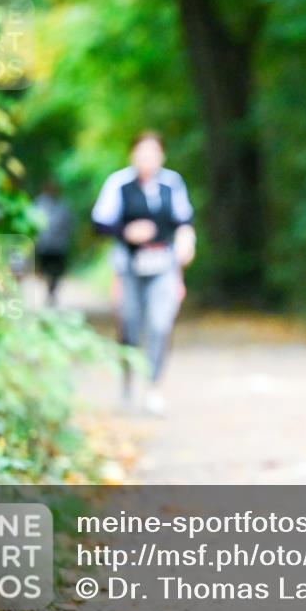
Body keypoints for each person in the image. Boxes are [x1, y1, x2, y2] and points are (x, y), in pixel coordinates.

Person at [92, 131, 196, 416]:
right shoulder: (119, 183)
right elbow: (99, 223)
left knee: (161, 325)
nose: (147, 159)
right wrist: (126, 232)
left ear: (161, 155)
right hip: (128, 267)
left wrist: (186, 243)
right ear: (133, 155)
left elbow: (184, 220)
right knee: (129, 326)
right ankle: (127, 379)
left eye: (153, 153)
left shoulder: (172, 184)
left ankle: (154, 387)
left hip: (163, 265)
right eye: (142, 152)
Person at [33, 180, 74, 307]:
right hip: (45, 245)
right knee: (47, 271)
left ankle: (51, 292)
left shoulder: (62, 205)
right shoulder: (39, 204)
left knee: (56, 272)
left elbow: (69, 224)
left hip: (58, 246)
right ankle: (49, 290)